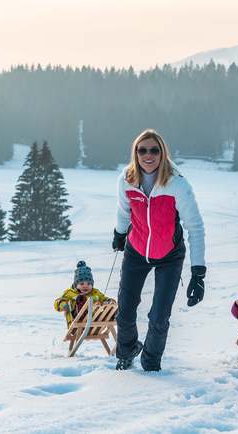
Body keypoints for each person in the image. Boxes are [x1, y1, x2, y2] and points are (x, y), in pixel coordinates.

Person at [112, 129, 206, 371]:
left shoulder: (177, 184)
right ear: (135, 153)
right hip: (136, 249)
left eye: (154, 150)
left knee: (158, 316)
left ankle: (151, 362)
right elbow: (124, 211)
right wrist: (120, 234)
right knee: (125, 310)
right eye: (142, 150)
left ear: (162, 153)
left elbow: (195, 228)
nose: (148, 155)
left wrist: (198, 273)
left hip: (169, 256)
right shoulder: (127, 179)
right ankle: (126, 350)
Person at [54, 261, 115, 327]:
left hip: (96, 322)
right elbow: (58, 301)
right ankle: (82, 307)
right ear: (76, 285)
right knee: (80, 299)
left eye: (89, 284)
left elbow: (104, 298)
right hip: (77, 323)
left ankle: (114, 314)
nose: (85, 286)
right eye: (82, 284)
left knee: (104, 305)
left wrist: (109, 301)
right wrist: (63, 305)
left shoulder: (95, 292)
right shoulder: (70, 293)